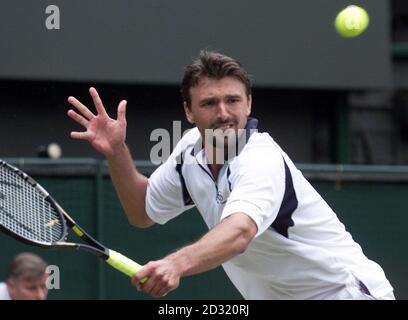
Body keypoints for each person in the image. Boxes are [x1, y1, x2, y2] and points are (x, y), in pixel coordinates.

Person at [66, 51, 395, 300]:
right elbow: (141, 211)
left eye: (232, 100)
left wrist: (176, 264)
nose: (223, 113)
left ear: (248, 104)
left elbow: (239, 232)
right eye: (209, 103)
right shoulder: (189, 152)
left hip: (346, 293)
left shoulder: (261, 159)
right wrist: (116, 152)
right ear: (189, 111)